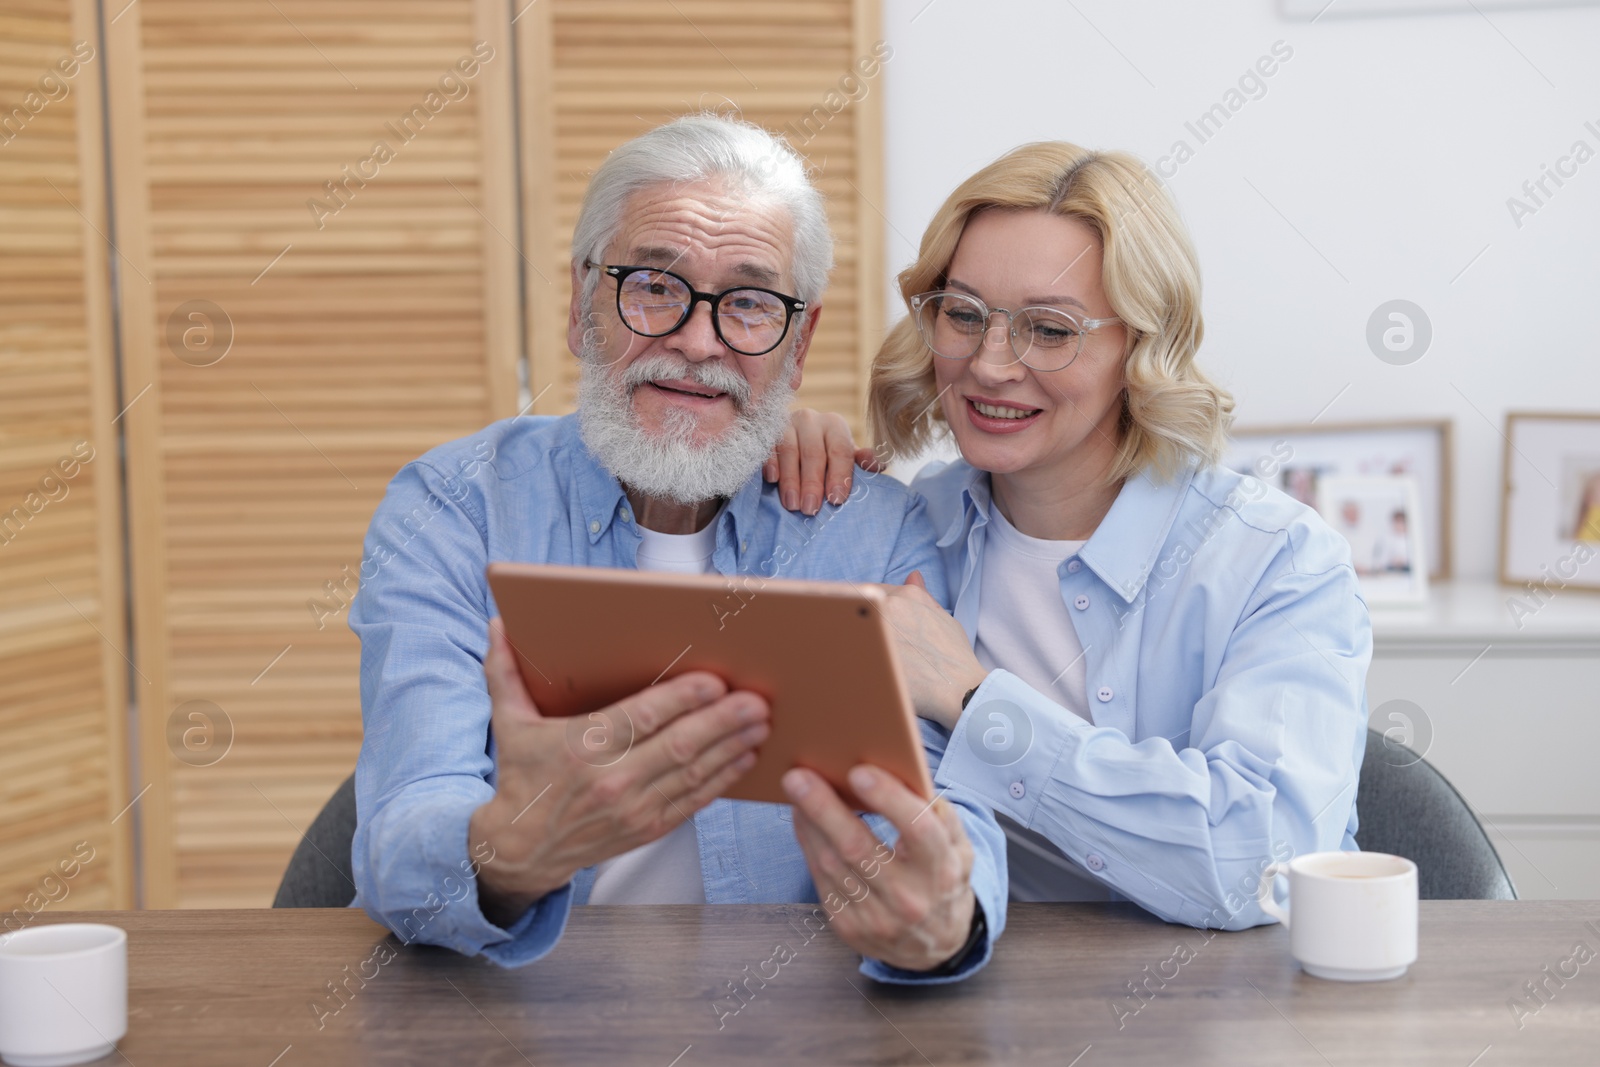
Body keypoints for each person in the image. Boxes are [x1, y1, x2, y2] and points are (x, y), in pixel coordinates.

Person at [348, 114, 1005, 981]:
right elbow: (404, 832)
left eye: (748, 303)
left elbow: (942, 807)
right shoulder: (455, 508)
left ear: (798, 342)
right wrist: (508, 848)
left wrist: (948, 921)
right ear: (583, 306)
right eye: (655, 285)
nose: (699, 343)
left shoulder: (874, 529)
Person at [774, 141, 1371, 929]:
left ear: (1141, 347)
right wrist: (771, 442)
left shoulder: (1277, 560)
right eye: (965, 314)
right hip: (968, 1000)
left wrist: (979, 702)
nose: (990, 365)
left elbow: (1262, 865)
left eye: (1049, 330)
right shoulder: (914, 527)